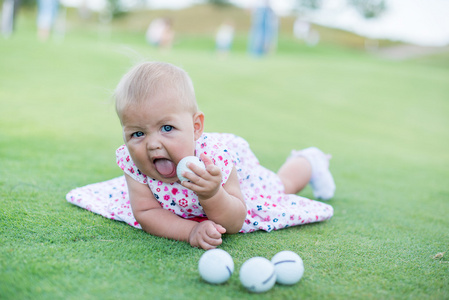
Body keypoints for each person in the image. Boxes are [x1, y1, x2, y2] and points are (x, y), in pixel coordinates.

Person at [66, 61, 335, 250]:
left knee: (280, 186)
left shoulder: (214, 158)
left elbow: (234, 220)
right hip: (190, 205)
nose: (152, 145)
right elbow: (147, 212)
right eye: (137, 133)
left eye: (167, 128)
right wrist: (190, 231)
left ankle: (309, 160)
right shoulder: (133, 163)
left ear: (196, 128)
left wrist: (212, 194)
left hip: (238, 186)